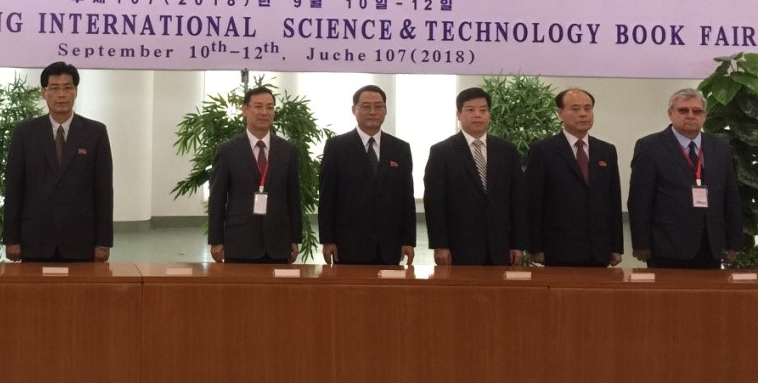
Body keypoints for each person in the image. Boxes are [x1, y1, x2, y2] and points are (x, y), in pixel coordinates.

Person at [3, 62, 113, 262]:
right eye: (54, 88)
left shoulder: (95, 132)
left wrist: (103, 242)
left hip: (81, 240)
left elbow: (104, 190)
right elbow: (14, 188)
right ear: (44, 93)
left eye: (67, 87)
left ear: (75, 92)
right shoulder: (25, 132)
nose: (61, 95)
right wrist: (11, 239)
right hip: (35, 239)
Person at [628, 88, 742, 269]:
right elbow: (639, 200)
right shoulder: (649, 147)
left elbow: (731, 197)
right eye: (683, 110)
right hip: (666, 245)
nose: (690, 115)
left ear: (704, 115)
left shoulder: (721, 148)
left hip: (710, 245)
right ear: (670, 113)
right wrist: (641, 243)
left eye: (697, 111)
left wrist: (733, 242)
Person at [423, 87, 525, 266]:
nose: (478, 115)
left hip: (500, 246)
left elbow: (517, 199)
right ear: (459, 114)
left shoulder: (507, 151)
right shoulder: (442, 152)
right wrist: (440, 245)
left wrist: (517, 243)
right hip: (459, 246)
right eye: (470, 110)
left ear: (489, 115)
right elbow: (434, 202)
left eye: (483, 110)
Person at [525, 88, 623, 267]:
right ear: (560, 113)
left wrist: (616, 246)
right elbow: (534, 201)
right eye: (576, 109)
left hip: (599, 249)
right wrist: (535, 247)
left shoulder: (606, 150)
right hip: (558, 248)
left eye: (588, 108)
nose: (583, 114)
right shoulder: (543, 150)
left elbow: (614, 200)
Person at [318, 85, 415, 265]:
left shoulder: (400, 148)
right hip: (348, 241)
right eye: (366, 106)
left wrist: (408, 240)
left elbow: (407, 197)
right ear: (354, 110)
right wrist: (327, 239)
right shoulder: (337, 146)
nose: (372, 112)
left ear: (385, 110)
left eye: (378, 106)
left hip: (389, 243)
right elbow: (327, 195)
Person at [208, 85, 302, 264]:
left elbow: (293, 196)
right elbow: (217, 198)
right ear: (244, 110)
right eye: (258, 106)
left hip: (278, 240)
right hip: (240, 239)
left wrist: (295, 238)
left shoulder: (288, 150)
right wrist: (216, 240)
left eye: (270, 107)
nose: (264, 112)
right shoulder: (228, 150)